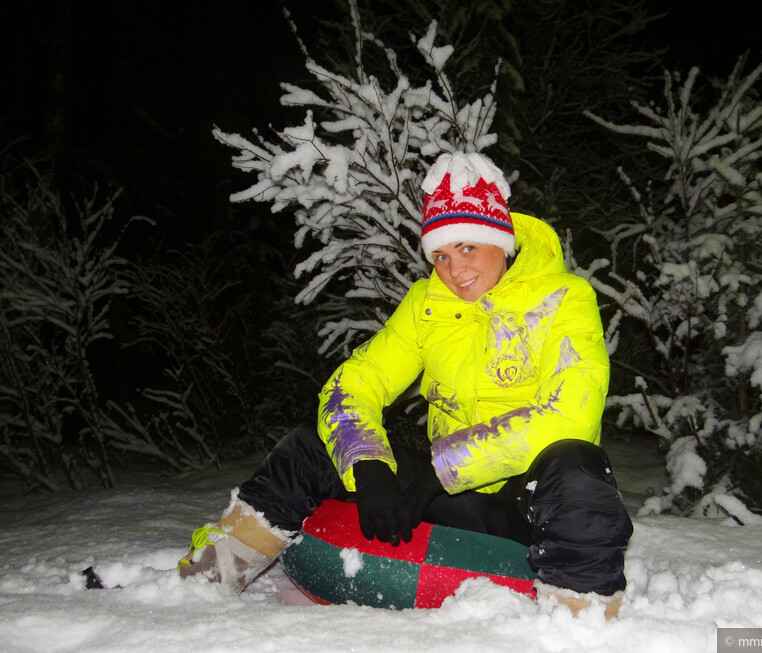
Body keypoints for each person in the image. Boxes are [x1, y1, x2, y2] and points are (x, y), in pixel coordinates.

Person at [179, 151, 633, 617]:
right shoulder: (427, 306)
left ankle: (583, 623)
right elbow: (353, 383)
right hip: (452, 505)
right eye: (440, 255)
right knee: (307, 450)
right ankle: (204, 579)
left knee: (579, 464)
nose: (455, 271)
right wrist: (368, 464)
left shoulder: (565, 298)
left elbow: (569, 415)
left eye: (467, 248)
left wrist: (438, 469)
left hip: (528, 512)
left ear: (500, 239)